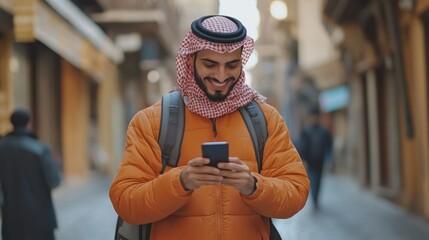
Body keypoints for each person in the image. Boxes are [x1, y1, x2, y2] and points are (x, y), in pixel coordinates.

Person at [110, 15, 310, 240]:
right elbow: (125, 201)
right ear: (190, 60)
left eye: (231, 65)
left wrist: (253, 186)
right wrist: (181, 182)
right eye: (210, 64)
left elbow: (296, 192)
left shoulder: (266, 120)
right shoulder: (151, 122)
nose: (221, 76)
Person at [0, 109, 61, 240]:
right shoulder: (41, 148)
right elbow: (54, 181)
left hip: (11, 217)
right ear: (28, 123)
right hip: (40, 218)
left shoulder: (2, 147)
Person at [298, 106, 332, 210]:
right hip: (310, 162)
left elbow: (328, 146)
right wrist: (303, 160)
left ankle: (316, 199)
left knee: (318, 181)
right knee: (312, 180)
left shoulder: (323, 131)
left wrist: (328, 160)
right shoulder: (306, 131)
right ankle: (314, 200)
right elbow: (302, 146)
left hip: (320, 162)